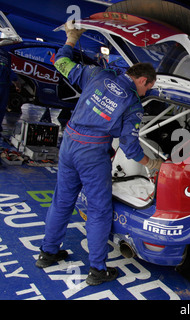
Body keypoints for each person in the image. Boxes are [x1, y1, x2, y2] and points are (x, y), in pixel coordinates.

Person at [35, 23, 163, 285]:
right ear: (142, 80)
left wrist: (71, 40)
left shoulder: (97, 74)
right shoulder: (132, 103)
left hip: (69, 143)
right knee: (99, 210)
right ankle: (97, 270)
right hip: (92, 154)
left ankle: (47, 254)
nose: (146, 92)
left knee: (62, 200)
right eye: (148, 88)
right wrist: (152, 163)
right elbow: (129, 147)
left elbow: (61, 63)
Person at [0, 48, 21, 134]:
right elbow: (8, 69)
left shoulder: (6, 54)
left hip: (4, 85)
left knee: (1, 108)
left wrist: (15, 81)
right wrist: (15, 81)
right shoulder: (6, 54)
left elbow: (8, 69)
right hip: (4, 85)